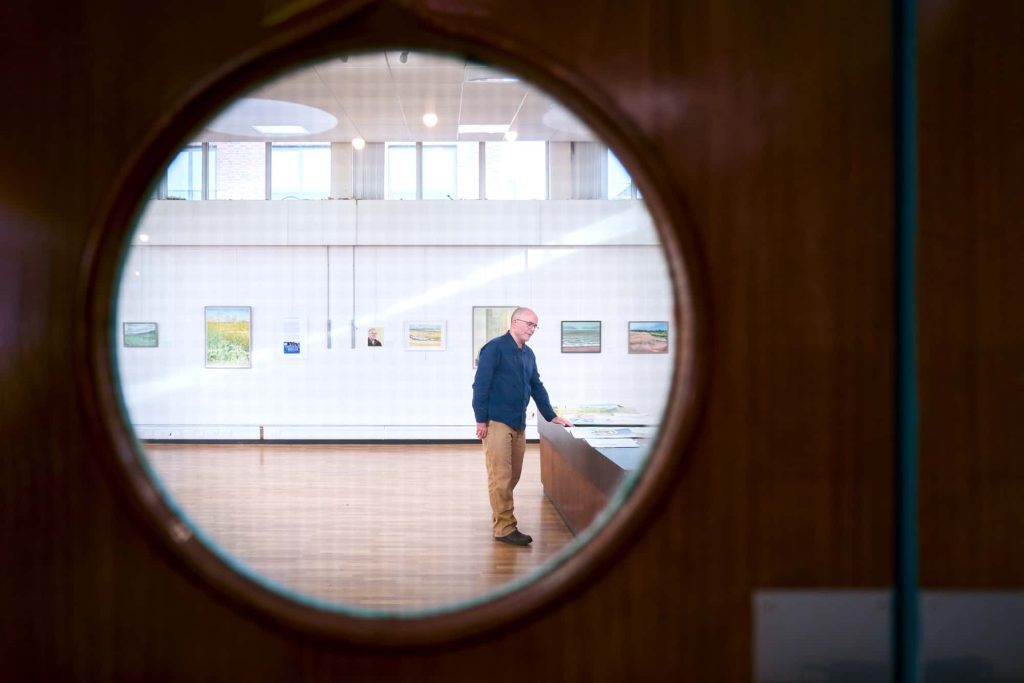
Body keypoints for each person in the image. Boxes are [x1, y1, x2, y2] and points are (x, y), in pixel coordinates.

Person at [472, 307, 573, 546]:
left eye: (535, 326)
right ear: (515, 322)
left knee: (511, 476)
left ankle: (500, 516)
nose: (532, 330)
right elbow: (480, 386)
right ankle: (505, 528)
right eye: (529, 324)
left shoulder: (528, 354)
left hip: (518, 424)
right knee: (501, 477)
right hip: (496, 422)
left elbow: (536, 385)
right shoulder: (494, 348)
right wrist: (480, 420)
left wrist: (551, 415)